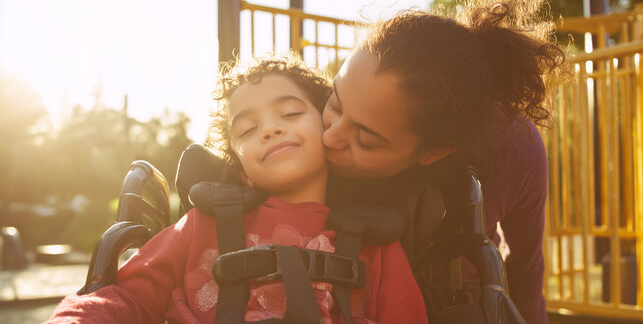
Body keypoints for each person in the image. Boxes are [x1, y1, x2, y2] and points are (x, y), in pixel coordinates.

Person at [47, 54, 429, 324]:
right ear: (241, 169)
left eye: (291, 113)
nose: (269, 129)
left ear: (327, 128)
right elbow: (127, 298)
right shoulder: (199, 226)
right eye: (247, 130)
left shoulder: (375, 243)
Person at [321, 0, 567, 323]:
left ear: (434, 151)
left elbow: (525, 270)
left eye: (364, 140)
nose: (329, 136)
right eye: (335, 102)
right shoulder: (303, 124)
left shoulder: (514, 145)